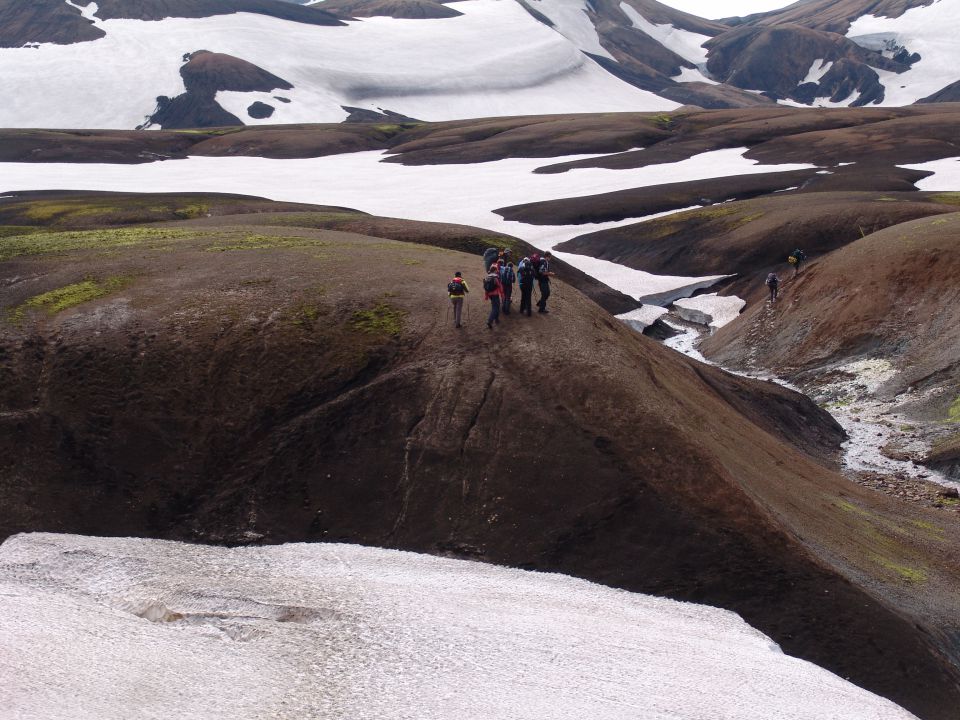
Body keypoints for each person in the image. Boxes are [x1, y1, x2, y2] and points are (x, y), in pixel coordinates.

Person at [483, 264, 504, 329]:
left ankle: (496, 319)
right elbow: (500, 286)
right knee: (495, 308)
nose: (497, 271)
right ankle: (490, 321)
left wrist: (486, 296)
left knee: (495, 306)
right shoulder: (496, 277)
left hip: (490, 295)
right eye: (496, 270)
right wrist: (502, 295)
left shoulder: (487, 277)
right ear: (495, 270)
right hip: (495, 294)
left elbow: (486, 288)